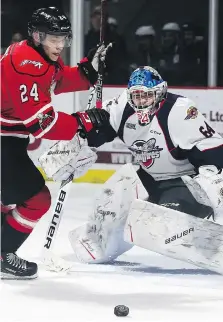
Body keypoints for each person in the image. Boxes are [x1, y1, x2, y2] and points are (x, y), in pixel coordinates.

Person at [67, 66, 223, 264]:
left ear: (159, 92)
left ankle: (211, 244)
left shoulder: (180, 111)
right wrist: (84, 128)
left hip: (184, 185)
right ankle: (101, 243)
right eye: (137, 96)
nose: (141, 102)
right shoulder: (122, 106)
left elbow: (214, 153)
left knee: (153, 226)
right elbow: (95, 131)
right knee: (108, 200)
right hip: (150, 179)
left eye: (147, 96)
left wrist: (212, 186)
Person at [0, 6, 112, 279]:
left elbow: (57, 80)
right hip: (4, 139)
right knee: (37, 200)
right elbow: (42, 124)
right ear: (37, 36)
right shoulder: (26, 64)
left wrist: (87, 71)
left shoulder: (36, 55)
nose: (60, 45)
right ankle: (3, 254)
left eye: (63, 39)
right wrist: (82, 122)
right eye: (53, 39)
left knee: (9, 198)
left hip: (8, 138)